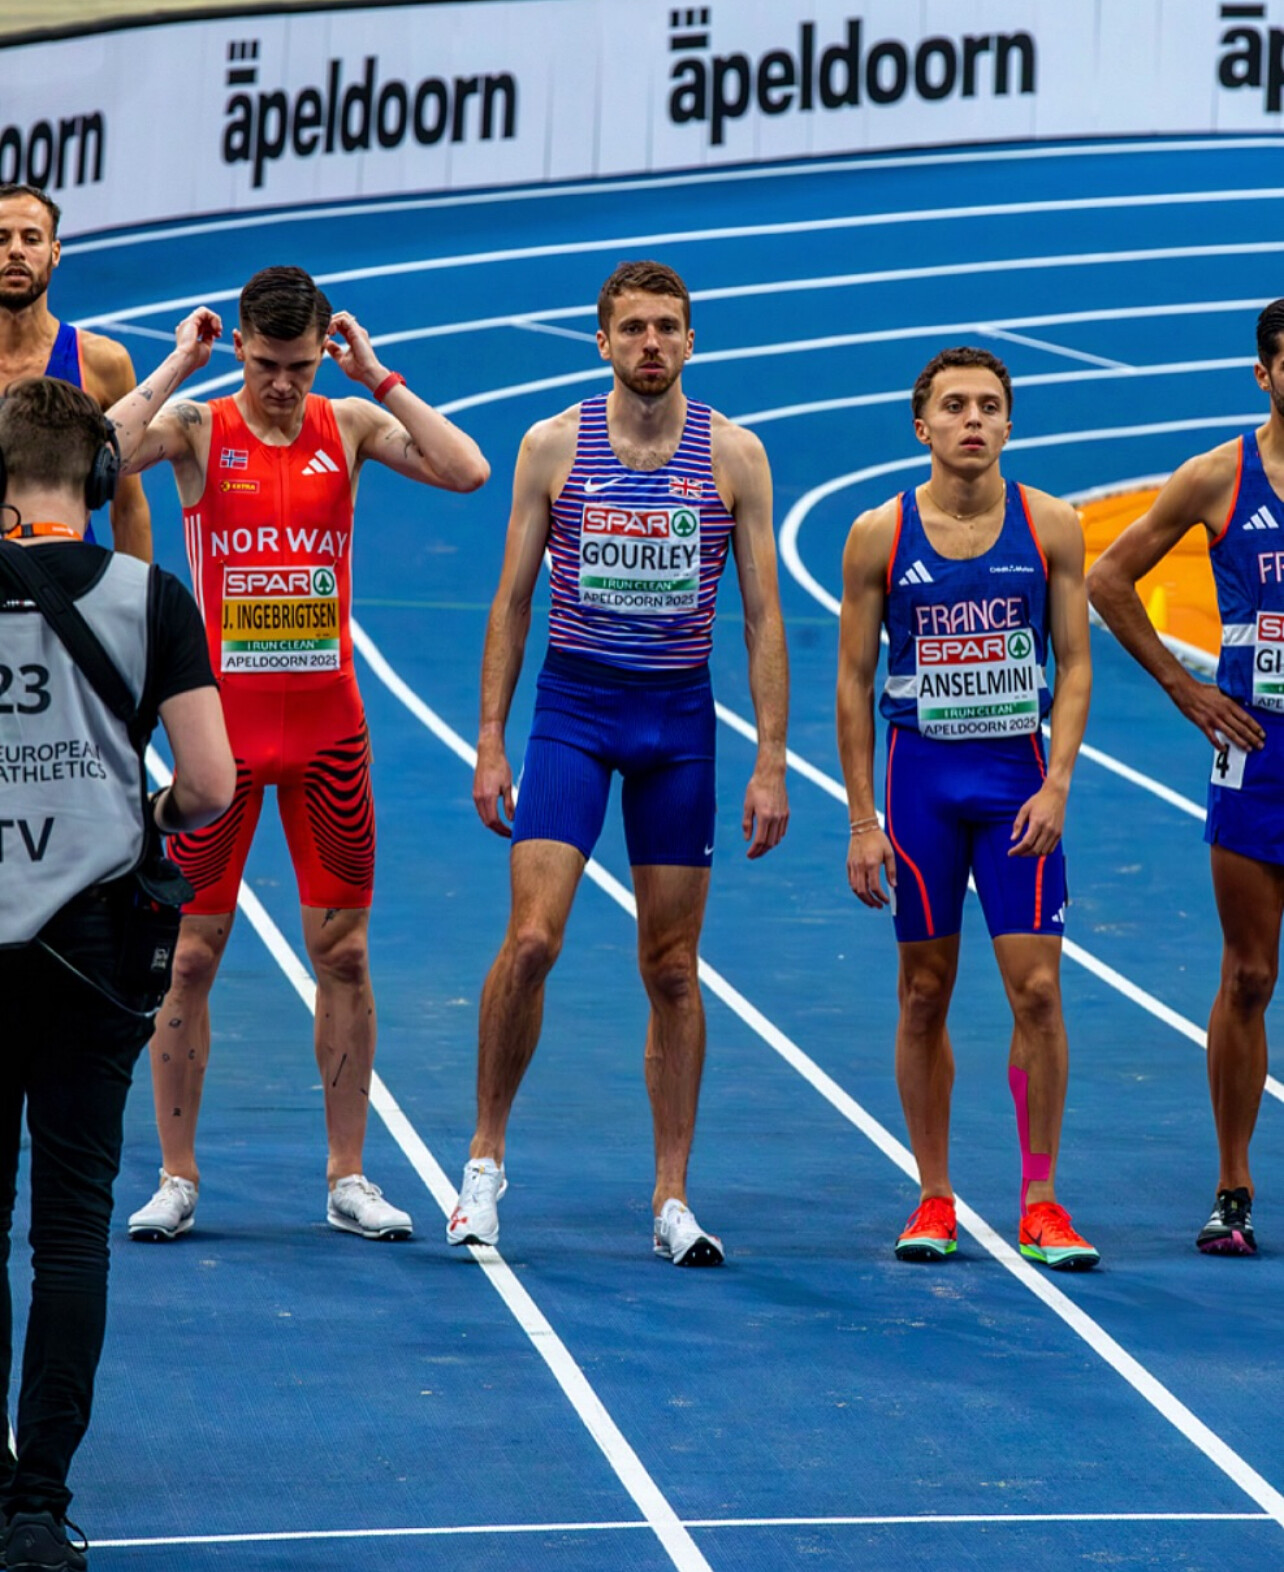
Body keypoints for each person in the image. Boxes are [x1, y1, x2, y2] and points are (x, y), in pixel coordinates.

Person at [121, 265, 489, 1244]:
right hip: (222, 738)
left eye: (300, 366)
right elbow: (95, 458)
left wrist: (377, 377)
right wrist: (178, 365)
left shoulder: (350, 425)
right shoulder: (199, 430)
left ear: (323, 351)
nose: (283, 385)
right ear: (240, 346)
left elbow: (467, 471)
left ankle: (348, 1176)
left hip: (328, 737)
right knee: (190, 957)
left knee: (346, 953)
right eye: (266, 365)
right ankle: (176, 1175)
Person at [448, 259, 789, 1266]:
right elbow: (513, 599)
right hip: (575, 713)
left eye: (667, 328)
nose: (651, 344)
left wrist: (772, 758)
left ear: (691, 341)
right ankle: (483, 1161)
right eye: (633, 328)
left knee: (672, 969)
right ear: (602, 341)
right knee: (532, 941)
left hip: (677, 724)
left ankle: (672, 1196)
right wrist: (490, 738)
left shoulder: (736, 456)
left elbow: (764, 615)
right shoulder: (552, 446)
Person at [0, 351, 233, 1568]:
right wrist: (135, 817)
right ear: (99, 478)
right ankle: (37, 1509)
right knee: (72, 1231)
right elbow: (210, 784)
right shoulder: (150, 597)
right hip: (93, 950)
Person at [837, 346, 1099, 1271]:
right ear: (923, 427)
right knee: (924, 992)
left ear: (1009, 424)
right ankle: (935, 1194)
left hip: (1016, 781)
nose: (973, 420)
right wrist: (862, 819)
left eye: (989, 406)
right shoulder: (878, 533)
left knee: (1038, 990)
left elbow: (1075, 663)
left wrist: (1057, 781)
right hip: (920, 784)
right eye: (954, 406)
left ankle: (1041, 1200)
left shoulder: (1051, 524)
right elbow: (853, 681)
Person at [1086, 301, 1284, 1256]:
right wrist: (1182, 686)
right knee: (1248, 974)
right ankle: (1232, 1187)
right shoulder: (1219, 476)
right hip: (1257, 752)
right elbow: (1107, 578)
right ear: (1265, 374)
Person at [0, 183, 152, 561]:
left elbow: (128, 506)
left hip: (69, 584)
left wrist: (136, 595)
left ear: (55, 253)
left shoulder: (101, 363)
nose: (15, 250)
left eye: (31, 239)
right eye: (1, 238)